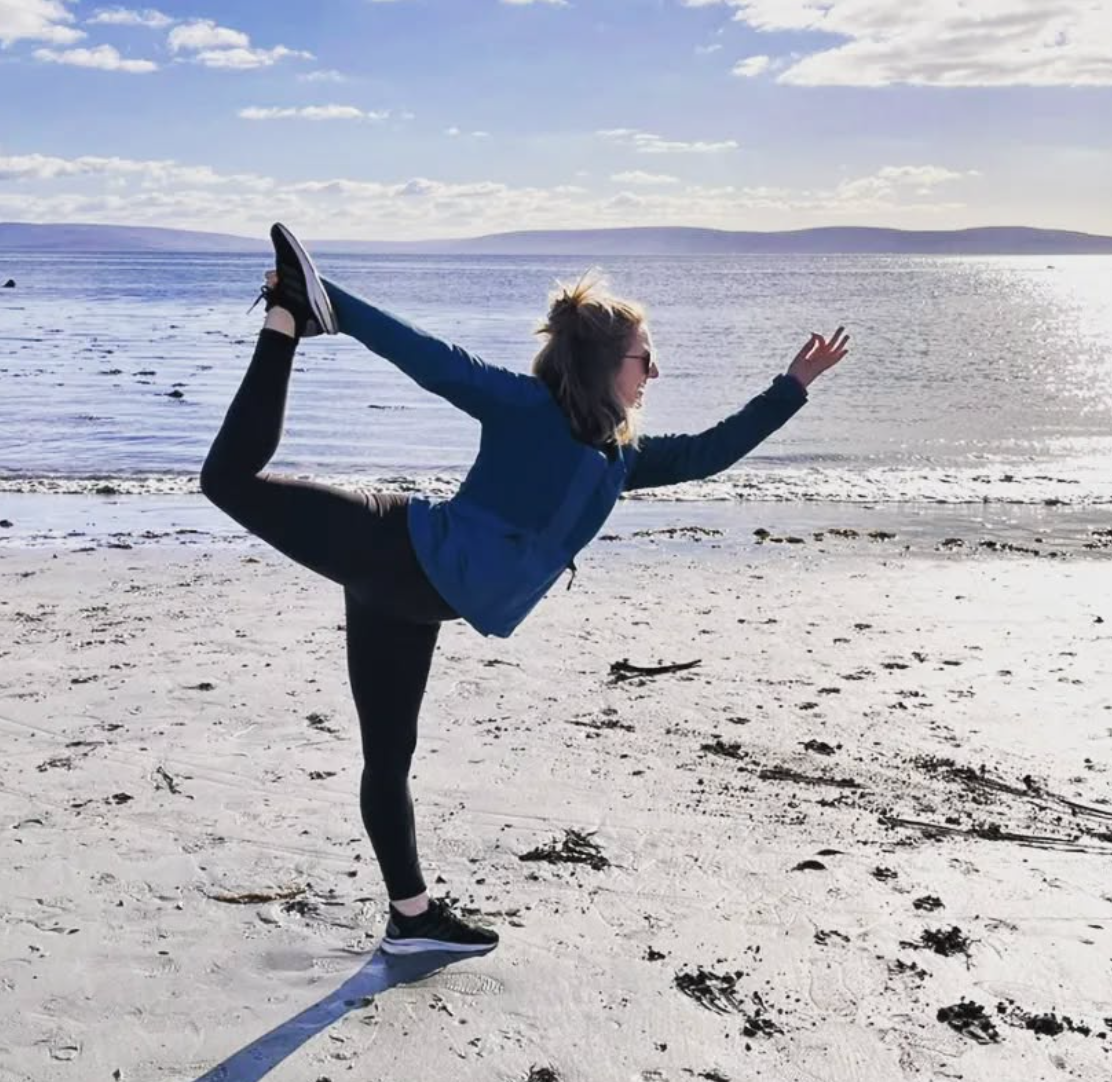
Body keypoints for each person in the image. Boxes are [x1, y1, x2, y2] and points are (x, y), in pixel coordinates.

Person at [200, 225, 849, 957]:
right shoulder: (524, 407)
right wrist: (333, 306)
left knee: (389, 758)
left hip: (412, 599)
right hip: (391, 546)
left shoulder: (619, 460)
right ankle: (288, 317)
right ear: (608, 363)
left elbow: (708, 454)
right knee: (226, 481)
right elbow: (431, 360)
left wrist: (790, 388)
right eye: (646, 358)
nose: (655, 372)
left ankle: (411, 920)